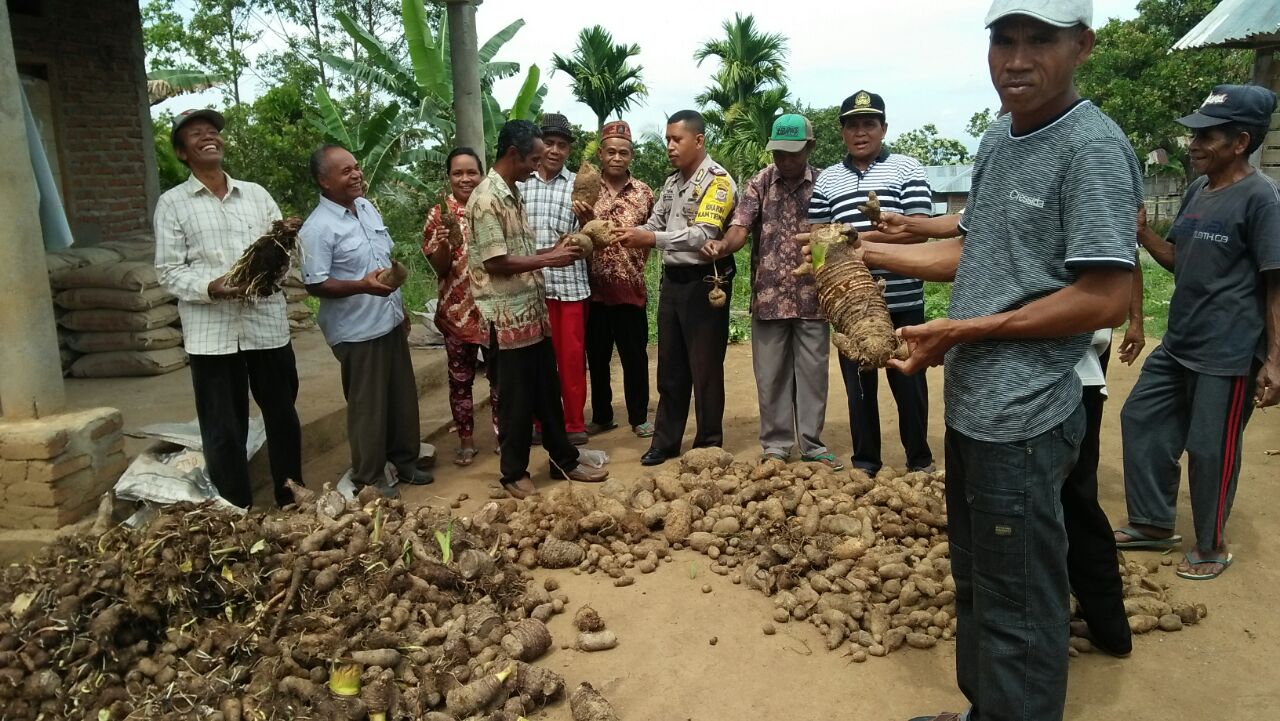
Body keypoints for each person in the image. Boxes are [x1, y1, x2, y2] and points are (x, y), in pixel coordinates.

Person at [805, 2, 1143, 718]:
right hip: (976, 408)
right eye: (1004, 40)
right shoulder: (998, 138)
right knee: (980, 581)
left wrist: (965, 331)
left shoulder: (1092, 149)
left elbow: (1108, 296)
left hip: (1027, 413)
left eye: (1038, 41)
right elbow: (974, 250)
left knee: (1019, 598)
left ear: (1082, 45)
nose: (1016, 59)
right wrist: (864, 252)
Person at [1113, 83, 1280, 581]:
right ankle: (1153, 523)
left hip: (1227, 352)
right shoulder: (1198, 190)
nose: (1194, 145)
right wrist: (1144, 235)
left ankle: (1212, 545)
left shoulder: (1263, 199)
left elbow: (1276, 285)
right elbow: (1180, 262)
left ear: (1240, 142)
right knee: (1140, 418)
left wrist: (1274, 359)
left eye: (1207, 136)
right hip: (1180, 343)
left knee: (1212, 448)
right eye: (1195, 135)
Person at [154, 108, 303, 510]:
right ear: (183, 153)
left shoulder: (256, 195)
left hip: (265, 326)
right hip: (212, 335)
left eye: (213, 131)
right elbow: (168, 272)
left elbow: (282, 252)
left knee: (282, 415)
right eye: (196, 133)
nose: (208, 137)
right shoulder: (173, 204)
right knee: (223, 427)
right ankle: (236, 509)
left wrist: (267, 273)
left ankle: (292, 499)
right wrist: (210, 287)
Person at [467, 119, 609, 499]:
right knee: (515, 401)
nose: (538, 163)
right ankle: (514, 473)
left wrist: (554, 253)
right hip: (506, 318)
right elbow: (496, 261)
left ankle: (564, 457)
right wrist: (550, 260)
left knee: (547, 391)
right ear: (513, 155)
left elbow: (521, 254)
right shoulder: (486, 200)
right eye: (533, 157)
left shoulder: (512, 192)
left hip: (531, 314)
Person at [807, 90, 936, 476]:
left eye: (869, 124)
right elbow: (817, 241)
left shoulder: (907, 169)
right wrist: (829, 270)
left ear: (883, 128)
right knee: (859, 387)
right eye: (852, 125)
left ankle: (919, 459)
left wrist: (861, 243)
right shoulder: (828, 180)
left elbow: (919, 232)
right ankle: (866, 462)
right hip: (850, 305)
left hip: (902, 295)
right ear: (843, 132)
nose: (860, 132)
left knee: (909, 380)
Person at [702, 113, 838, 468]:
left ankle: (812, 444)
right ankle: (776, 444)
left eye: (793, 153)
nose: (785, 160)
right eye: (779, 152)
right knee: (771, 375)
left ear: (810, 147)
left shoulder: (826, 184)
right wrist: (722, 246)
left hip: (814, 298)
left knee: (812, 375)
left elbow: (838, 236)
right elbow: (740, 228)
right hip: (770, 297)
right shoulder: (760, 182)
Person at [300, 144, 431, 493]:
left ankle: (404, 461)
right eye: (345, 171)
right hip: (356, 330)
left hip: (386, 319)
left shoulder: (366, 208)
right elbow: (316, 283)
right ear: (323, 181)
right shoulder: (318, 228)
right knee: (368, 407)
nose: (357, 174)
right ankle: (370, 477)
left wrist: (400, 310)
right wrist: (362, 286)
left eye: (356, 167)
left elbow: (385, 262)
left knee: (401, 396)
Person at [614, 110, 737, 467]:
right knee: (670, 368)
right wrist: (629, 233)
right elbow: (655, 221)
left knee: (706, 368)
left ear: (698, 141)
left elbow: (702, 236)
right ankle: (666, 442)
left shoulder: (718, 181)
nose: (669, 146)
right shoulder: (672, 183)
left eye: (676, 139)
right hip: (674, 283)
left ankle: (708, 443)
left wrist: (650, 238)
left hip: (705, 283)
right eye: (667, 139)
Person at [580, 120, 656, 439]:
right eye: (610, 151)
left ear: (631, 156)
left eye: (623, 152)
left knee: (634, 357)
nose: (616, 157)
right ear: (600, 153)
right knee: (597, 358)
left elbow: (654, 233)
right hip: (593, 290)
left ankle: (639, 416)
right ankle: (601, 415)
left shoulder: (643, 193)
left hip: (630, 288)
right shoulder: (586, 190)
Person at [423, 147, 499, 466]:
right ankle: (466, 439)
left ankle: (503, 436)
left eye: (472, 172)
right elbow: (440, 268)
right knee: (460, 380)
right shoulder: (439, 214)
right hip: (456, 313)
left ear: (481, 174)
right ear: (449, 177)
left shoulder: (492, 207)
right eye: (458, 173)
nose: (465, 179)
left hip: (494, 311)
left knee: (499, 378)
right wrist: (441, 245)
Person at [519, 113, 591, 445]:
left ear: (569, 150)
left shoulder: (580, 184)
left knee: (572, 359)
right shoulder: (519, 184)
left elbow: (593, 239)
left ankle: (574, 423)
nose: (555, 151)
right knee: (535, 360)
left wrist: (590, 221)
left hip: (570, 286)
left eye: (562, 145)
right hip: (531, 287)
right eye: (548, 143)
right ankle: (538, 422)